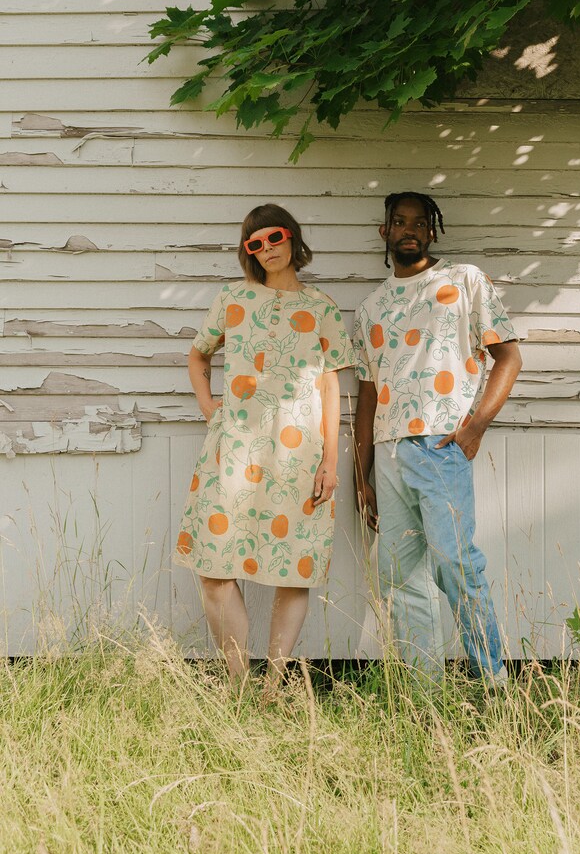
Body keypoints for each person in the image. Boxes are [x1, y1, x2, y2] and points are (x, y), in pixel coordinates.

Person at [174, 204, 354, 696]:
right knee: (215, 570)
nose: (266, 249)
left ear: (292, 237)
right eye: (254, 244)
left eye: (273, 237)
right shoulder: (233, 298)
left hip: (299, 456)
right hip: (232, 451)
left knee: (292, 572)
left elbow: (332, 386)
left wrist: (331, 462)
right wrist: (210, 405)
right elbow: (198, 353)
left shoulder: (321, 307)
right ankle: (237, 685)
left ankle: (273, 686)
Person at [352, 192, 522, 681]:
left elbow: (508, 357)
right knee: (398, 577)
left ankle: (495, 683)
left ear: (432, 231)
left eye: (419, 223)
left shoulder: (465, 281)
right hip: (387, 451)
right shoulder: (370, 308)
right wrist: (361, 474)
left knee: (456, 567)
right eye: (399, 222)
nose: (409, 230)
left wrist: (476, 427)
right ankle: (425, 694)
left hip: (441, 444)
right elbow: (368, 396)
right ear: (384, 232)